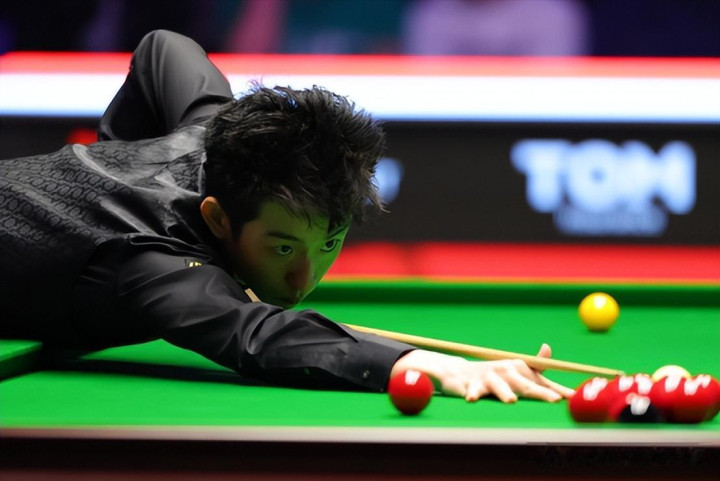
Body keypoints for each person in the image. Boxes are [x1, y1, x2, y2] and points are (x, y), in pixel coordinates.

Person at [0, 30, 573, 403]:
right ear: (217, 220)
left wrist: (119, 155)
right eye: (281, 249)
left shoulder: (220, 136)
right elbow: (256, 334)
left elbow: (163, 47)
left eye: (328, 244)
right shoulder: (148, 261)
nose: (304, 279)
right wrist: (424, 364)